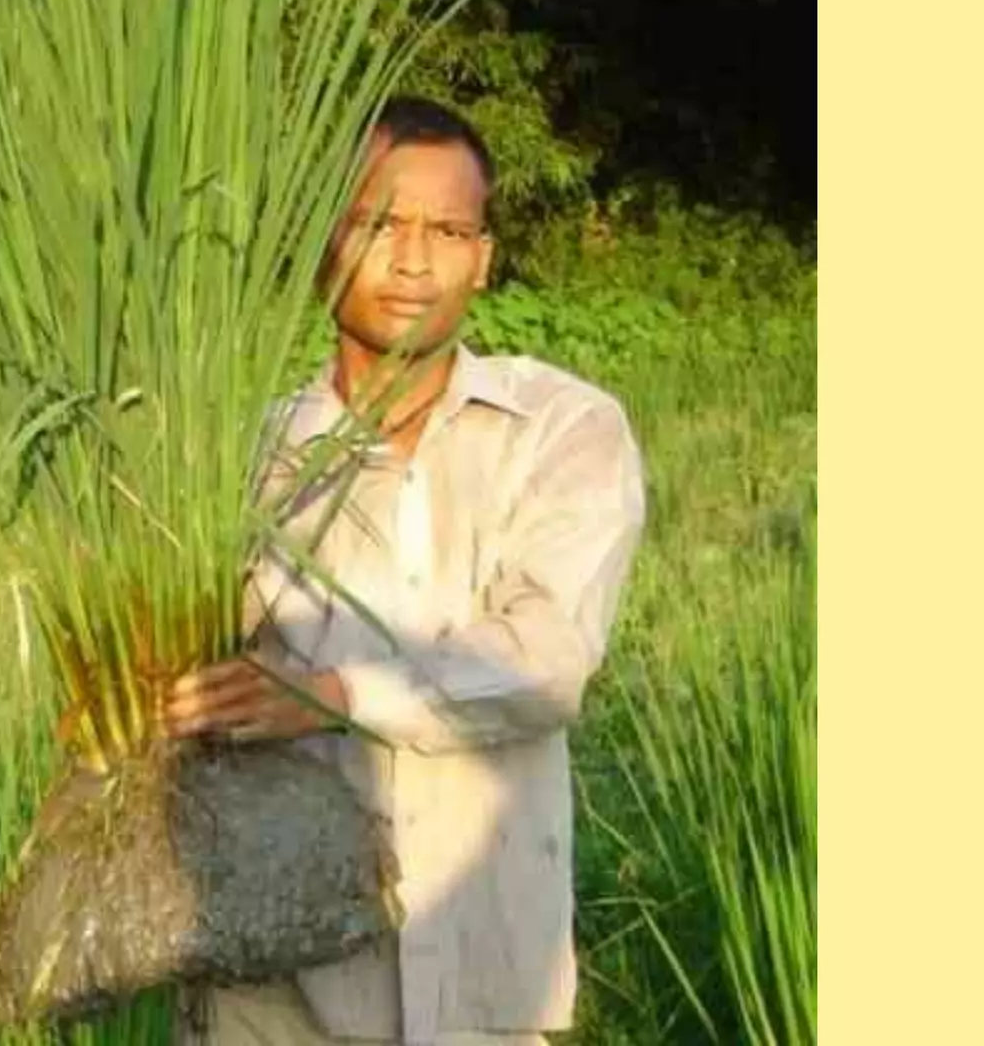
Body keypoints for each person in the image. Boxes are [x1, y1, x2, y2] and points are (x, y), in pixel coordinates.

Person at [165, 96, 648, 1045]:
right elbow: (182, 683)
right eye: (378, 224)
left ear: (484, 255)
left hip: (484, 980)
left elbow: (545, 663)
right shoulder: (238, 462)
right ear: (320, 244)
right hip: (274, 990)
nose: (415, 259)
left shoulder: (562, 429)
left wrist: (329, 693)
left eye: (449, 229)